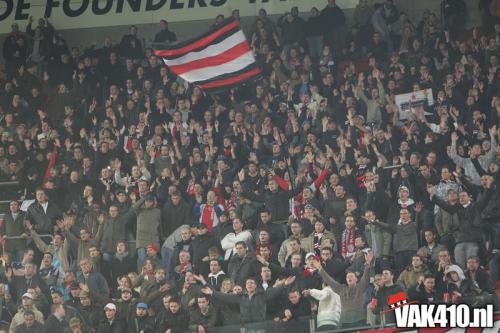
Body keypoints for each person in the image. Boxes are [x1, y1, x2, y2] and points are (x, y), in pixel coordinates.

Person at [313, 250, 374, 328]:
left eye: (351, 276)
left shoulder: (361, 286)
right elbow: (330, 281)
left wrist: (368, 264)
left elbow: (366, 276)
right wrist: (320, 269)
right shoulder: (341, 289)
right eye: (347, 277)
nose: (349, 278)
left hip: (359, 320)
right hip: (345, 322)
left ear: (356, 279)